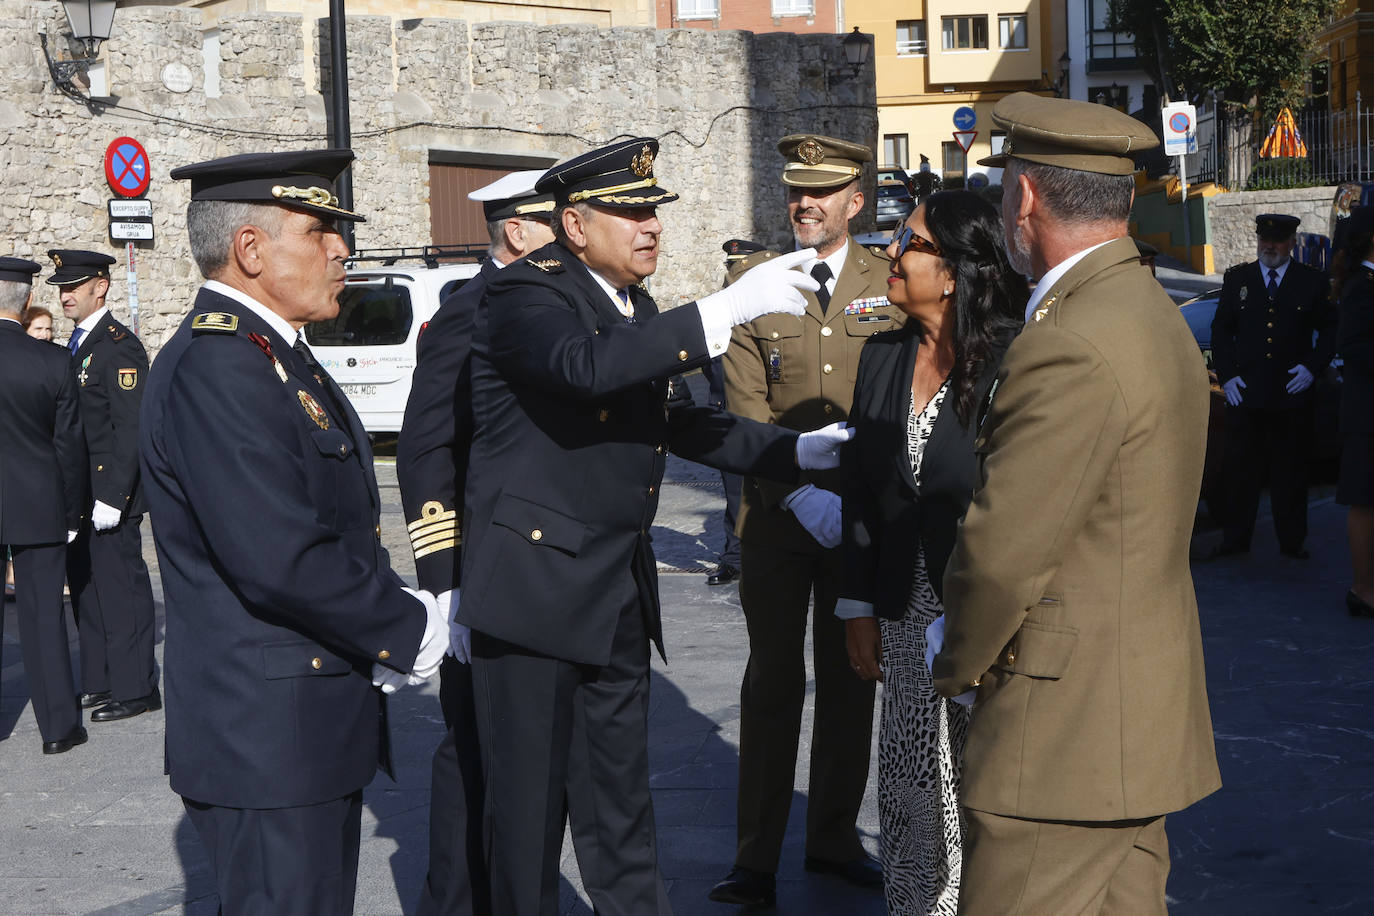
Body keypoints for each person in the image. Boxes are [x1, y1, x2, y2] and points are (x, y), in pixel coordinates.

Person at [459, 136, 852, 916]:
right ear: (574, 226)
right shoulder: (525, 296)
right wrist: (722, 310)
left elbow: (686, 424)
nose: (651, 227)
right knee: (529, 818)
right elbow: (585, 369)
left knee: (622, 809)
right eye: (630, 211)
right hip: (536, 595)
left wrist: (795, 451)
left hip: (614, 591)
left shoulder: (633, 308)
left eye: (655, 212)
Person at [929, 92, 1221, 915]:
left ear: (1023, 199)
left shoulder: (1068, 338)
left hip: (1061, 740)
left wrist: (952, 659)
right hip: (1133, 721)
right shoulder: (1145, 307)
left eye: (1002, 189)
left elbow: (1002, 551)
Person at [143, 148, 449, 913]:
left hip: (302, 731)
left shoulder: (275, 356)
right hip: (267, 742)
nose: (341, 249)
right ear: (250, 249)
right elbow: (277, 554)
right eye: (318, 231)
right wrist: (407, 627)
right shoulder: (223, 367)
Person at [712, 134, 905, 906]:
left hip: (858, 524)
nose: (805, 204)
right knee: (771, 682)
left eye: (821, 192)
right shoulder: (757, 285)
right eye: (796, 191)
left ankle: (830, 839)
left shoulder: (888, 282)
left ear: (855, 202)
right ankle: (754, 856)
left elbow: (895, 397)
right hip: (778, 521)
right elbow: (741, 407)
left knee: (853, 678)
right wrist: (795, 490)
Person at [837, 192, 1025, 914]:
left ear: (951, 271)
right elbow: (862, 492)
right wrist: (858, 607)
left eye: (907, 242)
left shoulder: (1014, 359)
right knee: (914, 787)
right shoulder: (881, 357)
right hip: (904, 614)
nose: (889, 251)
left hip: (986, 617)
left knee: (986, 786)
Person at [397, 168, 555, 916]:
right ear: (519, 232)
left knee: (519, 758)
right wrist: (444, 577)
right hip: (482, 572)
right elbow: (427, 449)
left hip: (534, 569)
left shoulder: (551, 302)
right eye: (562, 221)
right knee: (471, 746)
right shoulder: (469, 311)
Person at [46, 249, 159, 719]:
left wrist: (114, 495)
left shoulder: (118, 346)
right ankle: (99, 679)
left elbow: (129, 427)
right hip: (77, 495)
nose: (66, 295)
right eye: (62, 288)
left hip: (110, 495)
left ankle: (136, 688)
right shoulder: (73, 346)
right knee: (86, 592)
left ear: (101, 286)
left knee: (121, 592)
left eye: (75, 287)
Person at [1208, 213, 1336, 559]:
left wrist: (1312, 368)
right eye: (1265, 241)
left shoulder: (1311, 282)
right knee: (1240, 473)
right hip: (1245, 393)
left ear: (1291, 243)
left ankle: (1292, 542)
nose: (1270, 248)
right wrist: (1228, 374)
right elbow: (1221, 330)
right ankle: (1235, 541)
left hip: (1290, 394)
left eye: (1277, 242)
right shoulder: (1239, 280)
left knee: (1291, 473)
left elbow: (1330, 330)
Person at [0, 256, 88, 754]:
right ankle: (57, 728)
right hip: (40, 502)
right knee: (43, 618)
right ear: (27, 301)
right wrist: (72, 513)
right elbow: (68, 448)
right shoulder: (54, 361)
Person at [700, 239, 777, 587]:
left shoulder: (775, 313)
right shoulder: (717, 312)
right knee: (734, 494)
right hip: (728, 420)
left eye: (740, 268)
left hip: (767, 422)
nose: (734, 274)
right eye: (731, 268)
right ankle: (733, 558)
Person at [1334, 206, 1374, 617]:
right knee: (1364, 502)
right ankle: (1363, 590)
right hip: (1366, 416)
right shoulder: (1363, 285)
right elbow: (1354, 346)